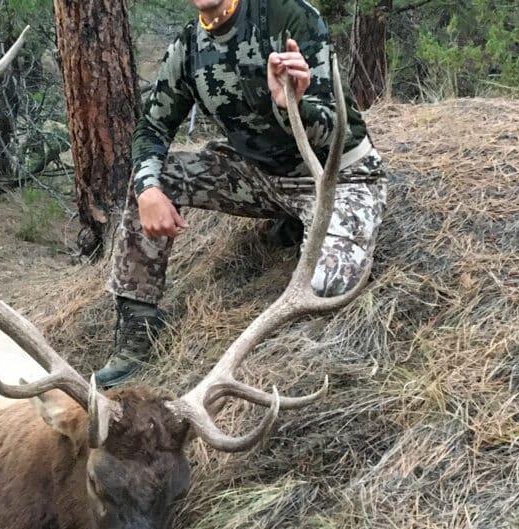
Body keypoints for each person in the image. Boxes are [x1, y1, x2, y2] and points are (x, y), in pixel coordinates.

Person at [94, 0, 388, 388]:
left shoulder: (289, 17)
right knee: (151, 178)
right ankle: (138, 327)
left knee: (328, 287)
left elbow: (337, 130)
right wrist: (148, 189)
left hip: (334, 177)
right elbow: (152, 127)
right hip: (258, 175)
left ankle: (299, 230)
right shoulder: (189, 47)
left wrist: (291, 107)